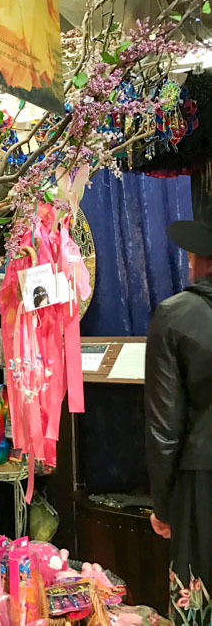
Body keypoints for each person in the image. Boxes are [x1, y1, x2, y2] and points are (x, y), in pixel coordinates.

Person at [145, 215, 212, 625]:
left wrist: (164, 507)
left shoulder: (174, 315)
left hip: (203, 479)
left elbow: (163, 425)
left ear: (200, 259)